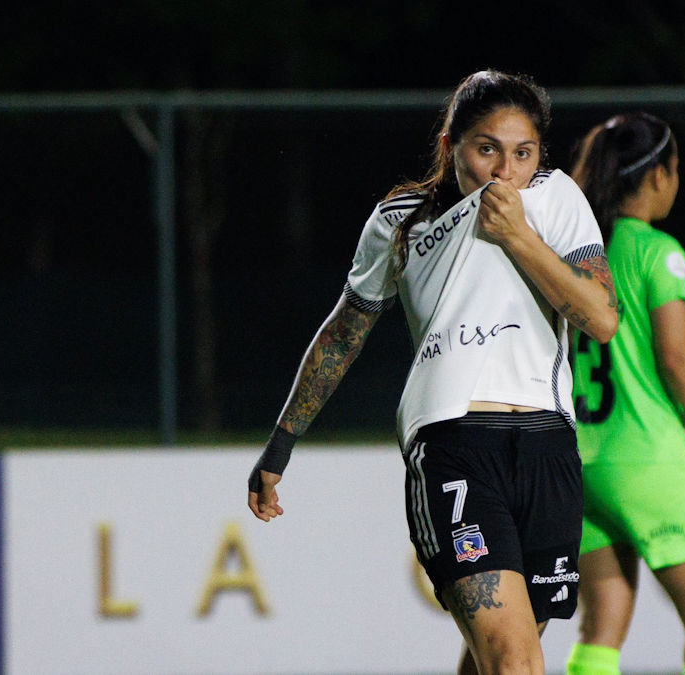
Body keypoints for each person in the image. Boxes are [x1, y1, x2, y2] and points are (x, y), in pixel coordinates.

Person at [248, 70, 619, 675]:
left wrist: (519, 238)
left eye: (522, 153)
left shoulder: (553, 197)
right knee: (513, 658)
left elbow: (601, 319)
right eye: (486, 148)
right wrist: (280, 444)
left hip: (549, 447)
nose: (504, 170)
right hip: (454, 445)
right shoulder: (402, 218)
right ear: (452, 144)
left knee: (500, 654)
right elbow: (343, 333)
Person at [565, 112, 685, 675]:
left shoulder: (572, 251)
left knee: (602, 626)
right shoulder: (659, 251)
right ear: (660, 175)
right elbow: (673, 357)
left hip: (585, 460)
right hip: (647, 460)